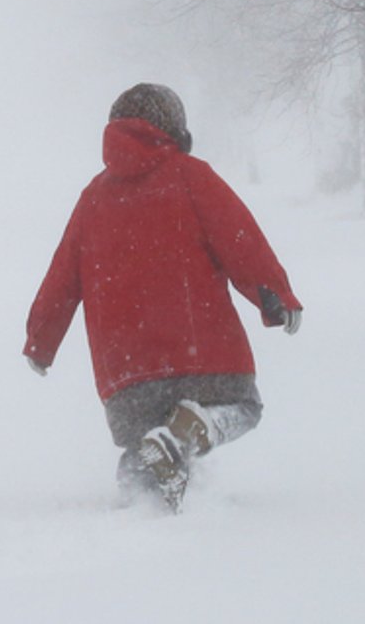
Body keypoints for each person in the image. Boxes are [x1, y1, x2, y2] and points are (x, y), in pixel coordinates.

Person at [23, 83, 302, 512]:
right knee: (243, 408)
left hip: (126, 373)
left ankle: (143, 501)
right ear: (174, 128)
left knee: (145, 441)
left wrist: (41, 342)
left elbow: (61, 278)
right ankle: (191, 431)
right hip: (201, 354)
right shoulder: (190, 177)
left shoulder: (93, 198)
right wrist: (275, 295)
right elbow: (239, 240)